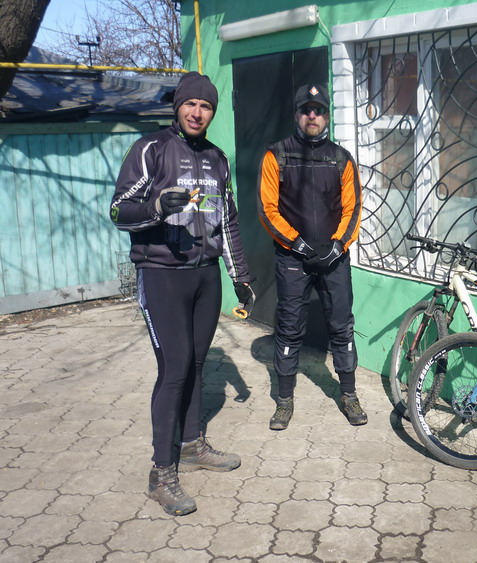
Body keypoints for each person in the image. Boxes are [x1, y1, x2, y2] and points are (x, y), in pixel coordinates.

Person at [110, 71, 254, 516]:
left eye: (206, 106)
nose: (197, 112)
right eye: (191, 104)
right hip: (161, 275)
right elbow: (118, 210)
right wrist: (156, 208)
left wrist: (240, 276)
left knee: (195, 364)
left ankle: (192, 446)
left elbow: (226, 220)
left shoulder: (217, 159)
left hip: (204, 275)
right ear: (178, 107)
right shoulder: (151, 149)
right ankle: (161, 473)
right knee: (174, 370)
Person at [257, 83, 366, 431]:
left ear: (327, 116)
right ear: (297, 114)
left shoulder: (341, 158)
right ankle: (284, 400)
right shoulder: (277, 155)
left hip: (334, 257)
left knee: (342, 326)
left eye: (319, 110)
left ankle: (349, 394)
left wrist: (339, 244)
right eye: (306, 110)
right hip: (293, 258)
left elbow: (353, 208)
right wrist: (296, 243)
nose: (312, 116)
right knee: (289, 328)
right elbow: (267, 209)